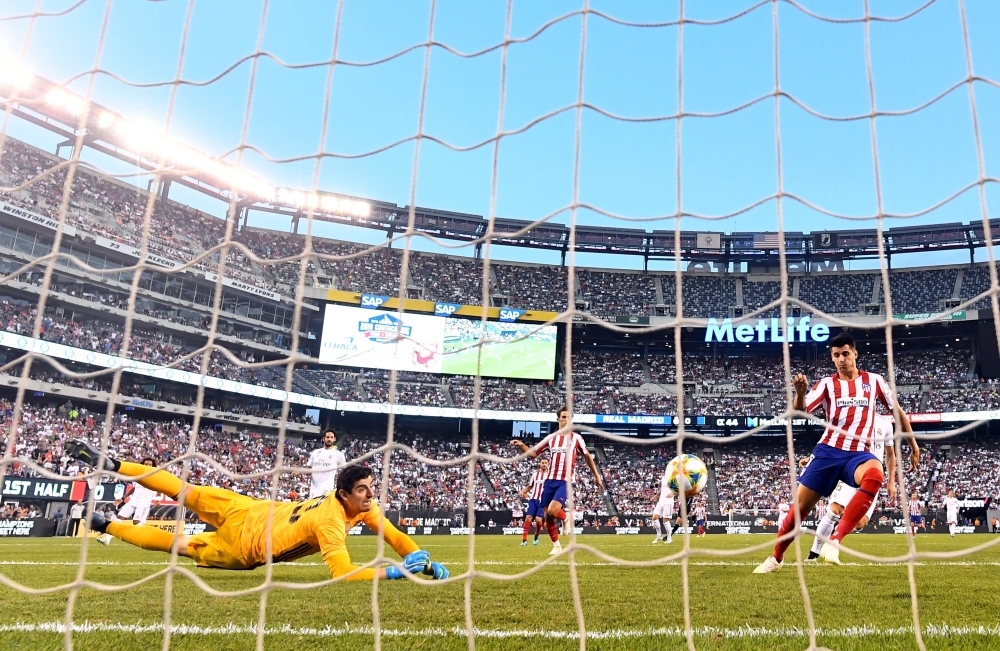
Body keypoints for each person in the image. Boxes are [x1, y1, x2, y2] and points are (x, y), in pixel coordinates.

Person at [65, 439, 448, 580]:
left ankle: (115, 469)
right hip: (247, 548)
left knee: (185, 491)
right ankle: (106, 522)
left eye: (371, 490)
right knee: (177, 544)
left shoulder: (355, 504)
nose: (370, 497)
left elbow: (393, 534)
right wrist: (392, 573)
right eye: (363, 491)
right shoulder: (331, 521)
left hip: (250, 510)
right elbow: (343, 573)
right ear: (346, 494)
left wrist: (417, 557)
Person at [754, 331, 920, 573]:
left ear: (855, 353)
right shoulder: (826, 385)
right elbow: (800, 411)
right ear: (832, 358)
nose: (841, 359)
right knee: (798, 512)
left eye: (845, 353)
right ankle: (776, 558)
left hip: (858, 455)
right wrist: (800, 393)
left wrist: (913, 445)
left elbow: (898, 411)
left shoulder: (874, 382)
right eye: (836, 355)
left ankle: (835, 540)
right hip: (828, 452)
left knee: (875, 474)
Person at [512, 405, 605, 555]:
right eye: (563, 417)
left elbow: (587, 456)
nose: (566, 420)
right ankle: (556, 546)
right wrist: (522, 445)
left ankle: (566, 517)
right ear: (558, 419)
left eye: (569, 417)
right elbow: (534, 453)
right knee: (547, 516)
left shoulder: (576, 439)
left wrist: (596, 476)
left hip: (565, 481)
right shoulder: (551, 438)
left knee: (553, 510)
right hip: (549, 481)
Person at [807, 414, 895, 560]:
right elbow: (829, 440)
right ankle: (814, 554)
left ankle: (835, 533)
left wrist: (891, 481)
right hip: (851, 471)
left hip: (872, 477)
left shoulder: (885, 423)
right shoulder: (852, 415)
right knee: (835, 510)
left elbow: (890, 454)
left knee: (860, 523)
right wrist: (812, 458)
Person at [97, 457, 157, 546]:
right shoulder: (138, 475)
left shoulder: (154, 475)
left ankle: (147, 539)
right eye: (146, 464)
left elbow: (159, 487)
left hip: (144, 502)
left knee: (136, 522)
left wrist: (156, 499)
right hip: (134, 500)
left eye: (150, 464)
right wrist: (123, 498)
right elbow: (134, 488)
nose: (147, 466)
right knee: (119, 517)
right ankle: (107, 539)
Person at [308, 429, 347, 499]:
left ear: (334, 439)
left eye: (331, 437)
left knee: (318, 505)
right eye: (327, 437)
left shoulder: (338, 454)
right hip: (314, 486)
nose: (329, 439)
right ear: (323, 438)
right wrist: (298, 471)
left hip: (326, 486)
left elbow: (345, 469)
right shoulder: (315, 452)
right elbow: (308, 467)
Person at [518, 458, 549, 547]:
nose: (544, 464)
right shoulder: (535, 475)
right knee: (528, 517)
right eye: (542, 463)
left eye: (545, 463)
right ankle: (524, 540)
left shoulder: (549, 476)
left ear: (548, 464)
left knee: (538, 520)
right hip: (533, 499)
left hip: (543, 501)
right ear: (540, 464)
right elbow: (530, 486)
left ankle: (536, 535)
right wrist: (523, 491)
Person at [651, 471, 675, 545]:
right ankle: (659, 536)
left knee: (665, 521)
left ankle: (669, 538)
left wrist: (674, 493)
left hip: (668, 502)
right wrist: (656, 496)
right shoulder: (663, 477)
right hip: (661, 501)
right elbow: (662, 489)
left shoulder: (675, 478)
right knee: (654, 517)